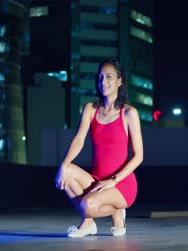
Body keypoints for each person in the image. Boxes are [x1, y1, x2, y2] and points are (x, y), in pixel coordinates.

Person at [55, 58, 143, 238]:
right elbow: (79, 139)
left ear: (119, 81)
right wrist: (64, 165)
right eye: (101, 77)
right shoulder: (90, 109)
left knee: (88, 205)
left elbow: (138, 156)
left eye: (109, 77)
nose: (103, 82)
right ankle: (88, 223)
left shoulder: (129, 113)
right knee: (67, 173)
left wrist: (114, 180)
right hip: (96, 180)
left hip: (121, 184)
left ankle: (117, 211)